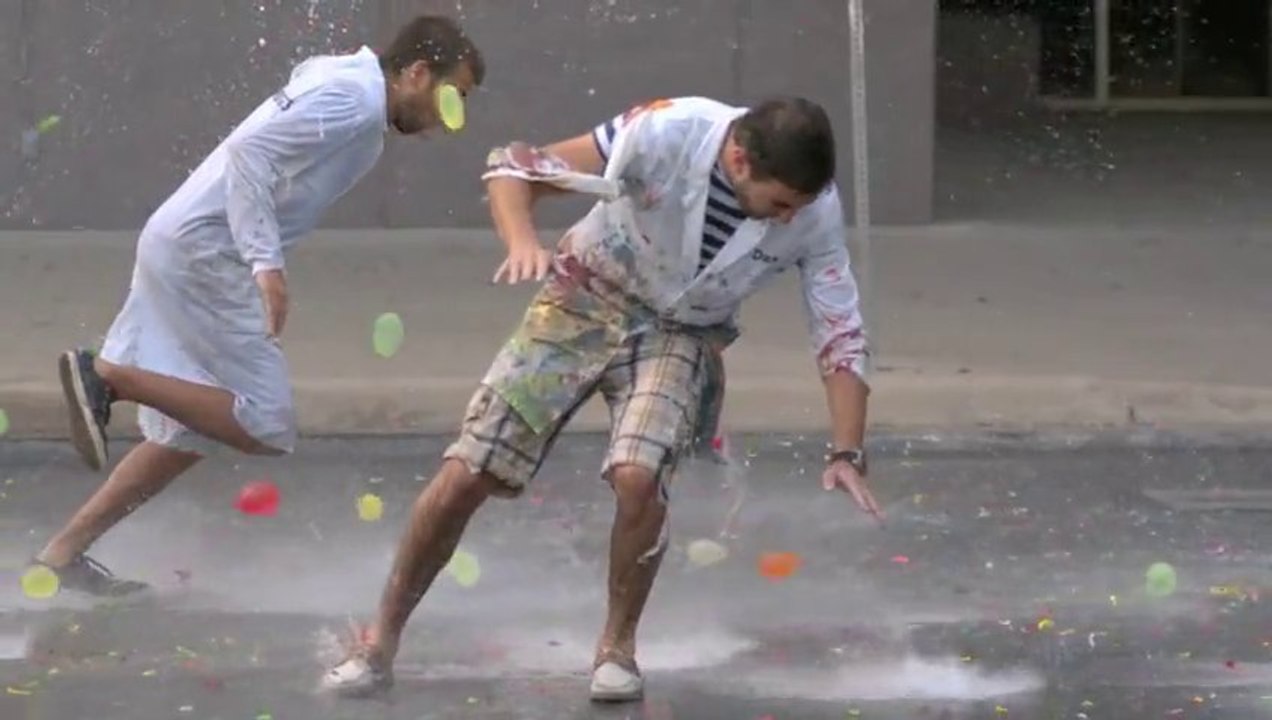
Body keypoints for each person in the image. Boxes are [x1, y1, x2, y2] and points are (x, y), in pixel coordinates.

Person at [324, 95, 882, 701]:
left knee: (638, 475)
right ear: (740, 160)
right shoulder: (667, 129)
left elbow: (839, 327)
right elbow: (516, 165)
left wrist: (846, 451)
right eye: (778, 206)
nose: (786, 221)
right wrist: (520, 241)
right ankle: (378, 641)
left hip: (682, 328)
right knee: (469, 469)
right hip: (586, 292)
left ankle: (617, 649)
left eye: (795, 210)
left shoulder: (814, 209)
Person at [30, 15, 485, 596]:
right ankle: (107, 378)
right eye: (452, 100)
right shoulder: (353, 99)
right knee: (265, 420)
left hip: (186, 242)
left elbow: (293, 98)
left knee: (187, 433)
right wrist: (265, 263)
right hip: (206, 254)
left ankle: (61, 556)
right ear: (417, 73)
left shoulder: (350, 85)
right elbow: (250, 152)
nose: (449, 123)